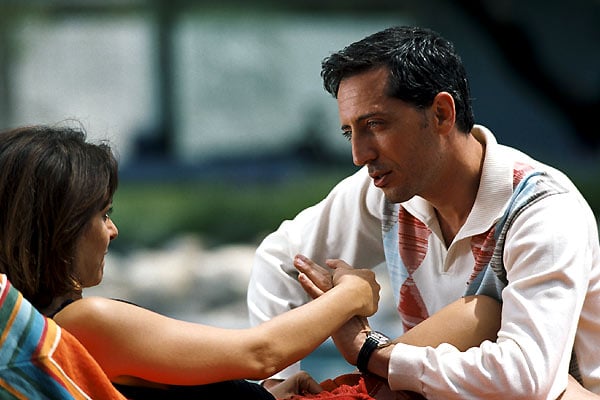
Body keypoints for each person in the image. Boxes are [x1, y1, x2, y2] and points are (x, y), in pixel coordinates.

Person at [247, 26, 600, 398]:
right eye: (351, 132)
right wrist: (276, 385)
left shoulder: (541, 210)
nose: (359, 155)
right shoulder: (387, 192)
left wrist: (371, 351)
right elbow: (282, 259)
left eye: (375, 125)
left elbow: (528, 379)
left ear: (442, 114)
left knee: (482, 316)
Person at [0, 124, 382, 400]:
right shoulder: (86, 323)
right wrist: (353, 292)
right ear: (59, 230)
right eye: (102, 215)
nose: (112, 231)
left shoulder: (46, 333)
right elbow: (262, 353)